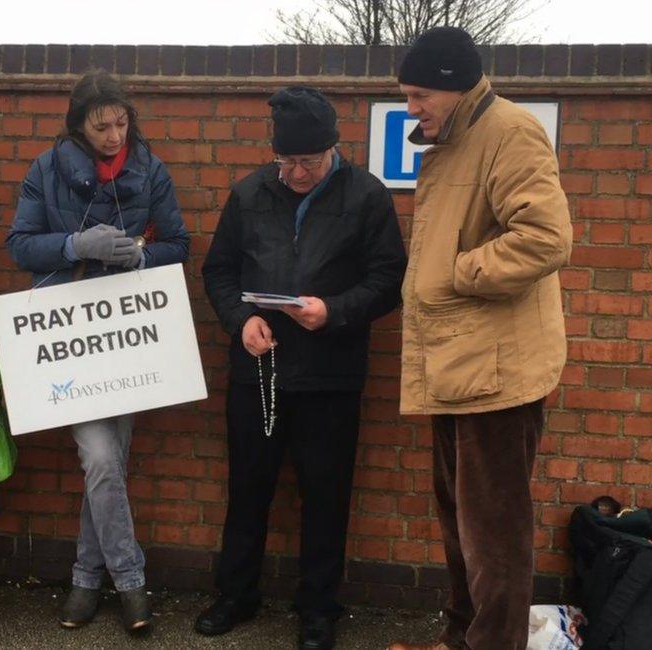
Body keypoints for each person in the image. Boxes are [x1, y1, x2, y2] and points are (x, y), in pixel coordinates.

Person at [198, 86, 407, 650]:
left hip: (330, 375)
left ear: (332, 150)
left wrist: (335, 311)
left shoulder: (367, 196)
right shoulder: (249, 193)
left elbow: (390, 279)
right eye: (285, 161)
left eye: (307, 163)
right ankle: (236, 595)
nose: (294, 173)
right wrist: (239, 319)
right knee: (248, 488)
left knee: (325, 494)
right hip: (258, 372)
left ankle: (318, 609)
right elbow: (218, 272)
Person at [387, 27, 572, 650]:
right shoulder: (457, 136)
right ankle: (462, 636)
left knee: (494, 534)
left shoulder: (510, 132)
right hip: (459, 363)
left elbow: (546, 238)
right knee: (459, 522)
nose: (410, 109)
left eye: (417, 95)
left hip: (496, 372)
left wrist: (458, 271)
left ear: (452, 84)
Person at [6, 70, 190, 632]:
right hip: (67, 335)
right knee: (103, 460)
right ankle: (132, 584)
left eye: (121, 122)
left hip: (128, 335)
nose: (114, 135)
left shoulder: (150, 169)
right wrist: (72, 245)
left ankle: (85, 580)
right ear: (79, 125)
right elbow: (19, 245)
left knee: (106, 468)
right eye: (101, 125)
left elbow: (179, 245)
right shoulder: (47, 168)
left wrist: (141, 258)